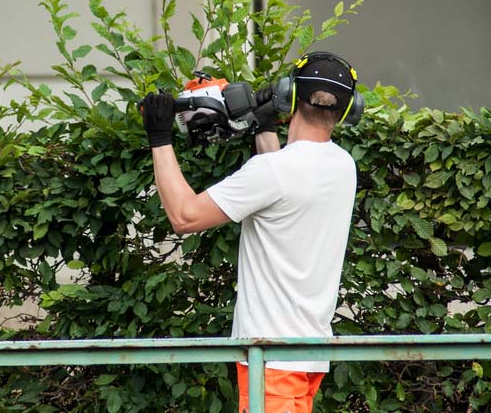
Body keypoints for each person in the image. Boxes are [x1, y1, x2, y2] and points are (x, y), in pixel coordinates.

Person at [140, 52, 360, 413]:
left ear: (289, 96)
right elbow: (285, 183)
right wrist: (264, 127)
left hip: (270, 358)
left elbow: (184, 217)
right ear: (350, 108)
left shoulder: (272, 172)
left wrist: (160, 136)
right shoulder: (342, 166)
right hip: (309, 356)